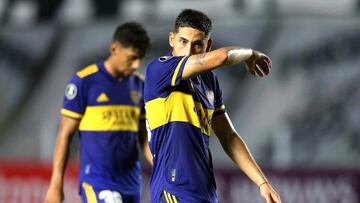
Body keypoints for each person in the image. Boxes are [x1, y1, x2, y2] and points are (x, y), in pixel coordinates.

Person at [144, 9, 281, 203]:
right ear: (171, 39)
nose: (189, 51)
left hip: (205, 192)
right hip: (174, 190)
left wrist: (262, 183)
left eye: (197, 44)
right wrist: (250, 54)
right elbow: (223, 57)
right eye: (183, 41)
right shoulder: (160, 70)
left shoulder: (208, 81)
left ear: (208, 45)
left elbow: (228, 136)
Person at [45, 22, 152, 203]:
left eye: (140, 59)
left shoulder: (139, 85)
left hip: (132, 183)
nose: (136, 65)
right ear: (114, 49)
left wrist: (160, 167)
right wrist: (56, 184)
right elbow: (65, 135)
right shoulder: (84, 82)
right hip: (98, 181)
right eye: (131, 58)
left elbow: (144, 138)